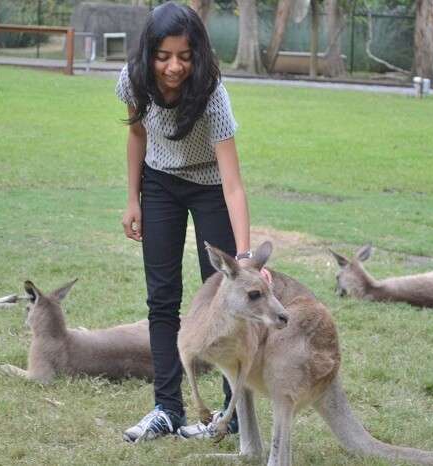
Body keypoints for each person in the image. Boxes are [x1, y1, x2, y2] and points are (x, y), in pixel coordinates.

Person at [116, 1, 265, 442]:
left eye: (183, 55)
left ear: (196, 54)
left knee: (221, 299)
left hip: (210, 185)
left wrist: (244, 257)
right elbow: (136, 134)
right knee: (162, 299)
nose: (174, 66)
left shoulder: (212, 94)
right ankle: (166, 409)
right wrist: (132, 199)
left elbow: (233, 183)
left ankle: (230, 415)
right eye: (164, 56)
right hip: (159, 181)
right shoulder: (133, 81)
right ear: (149, 54)